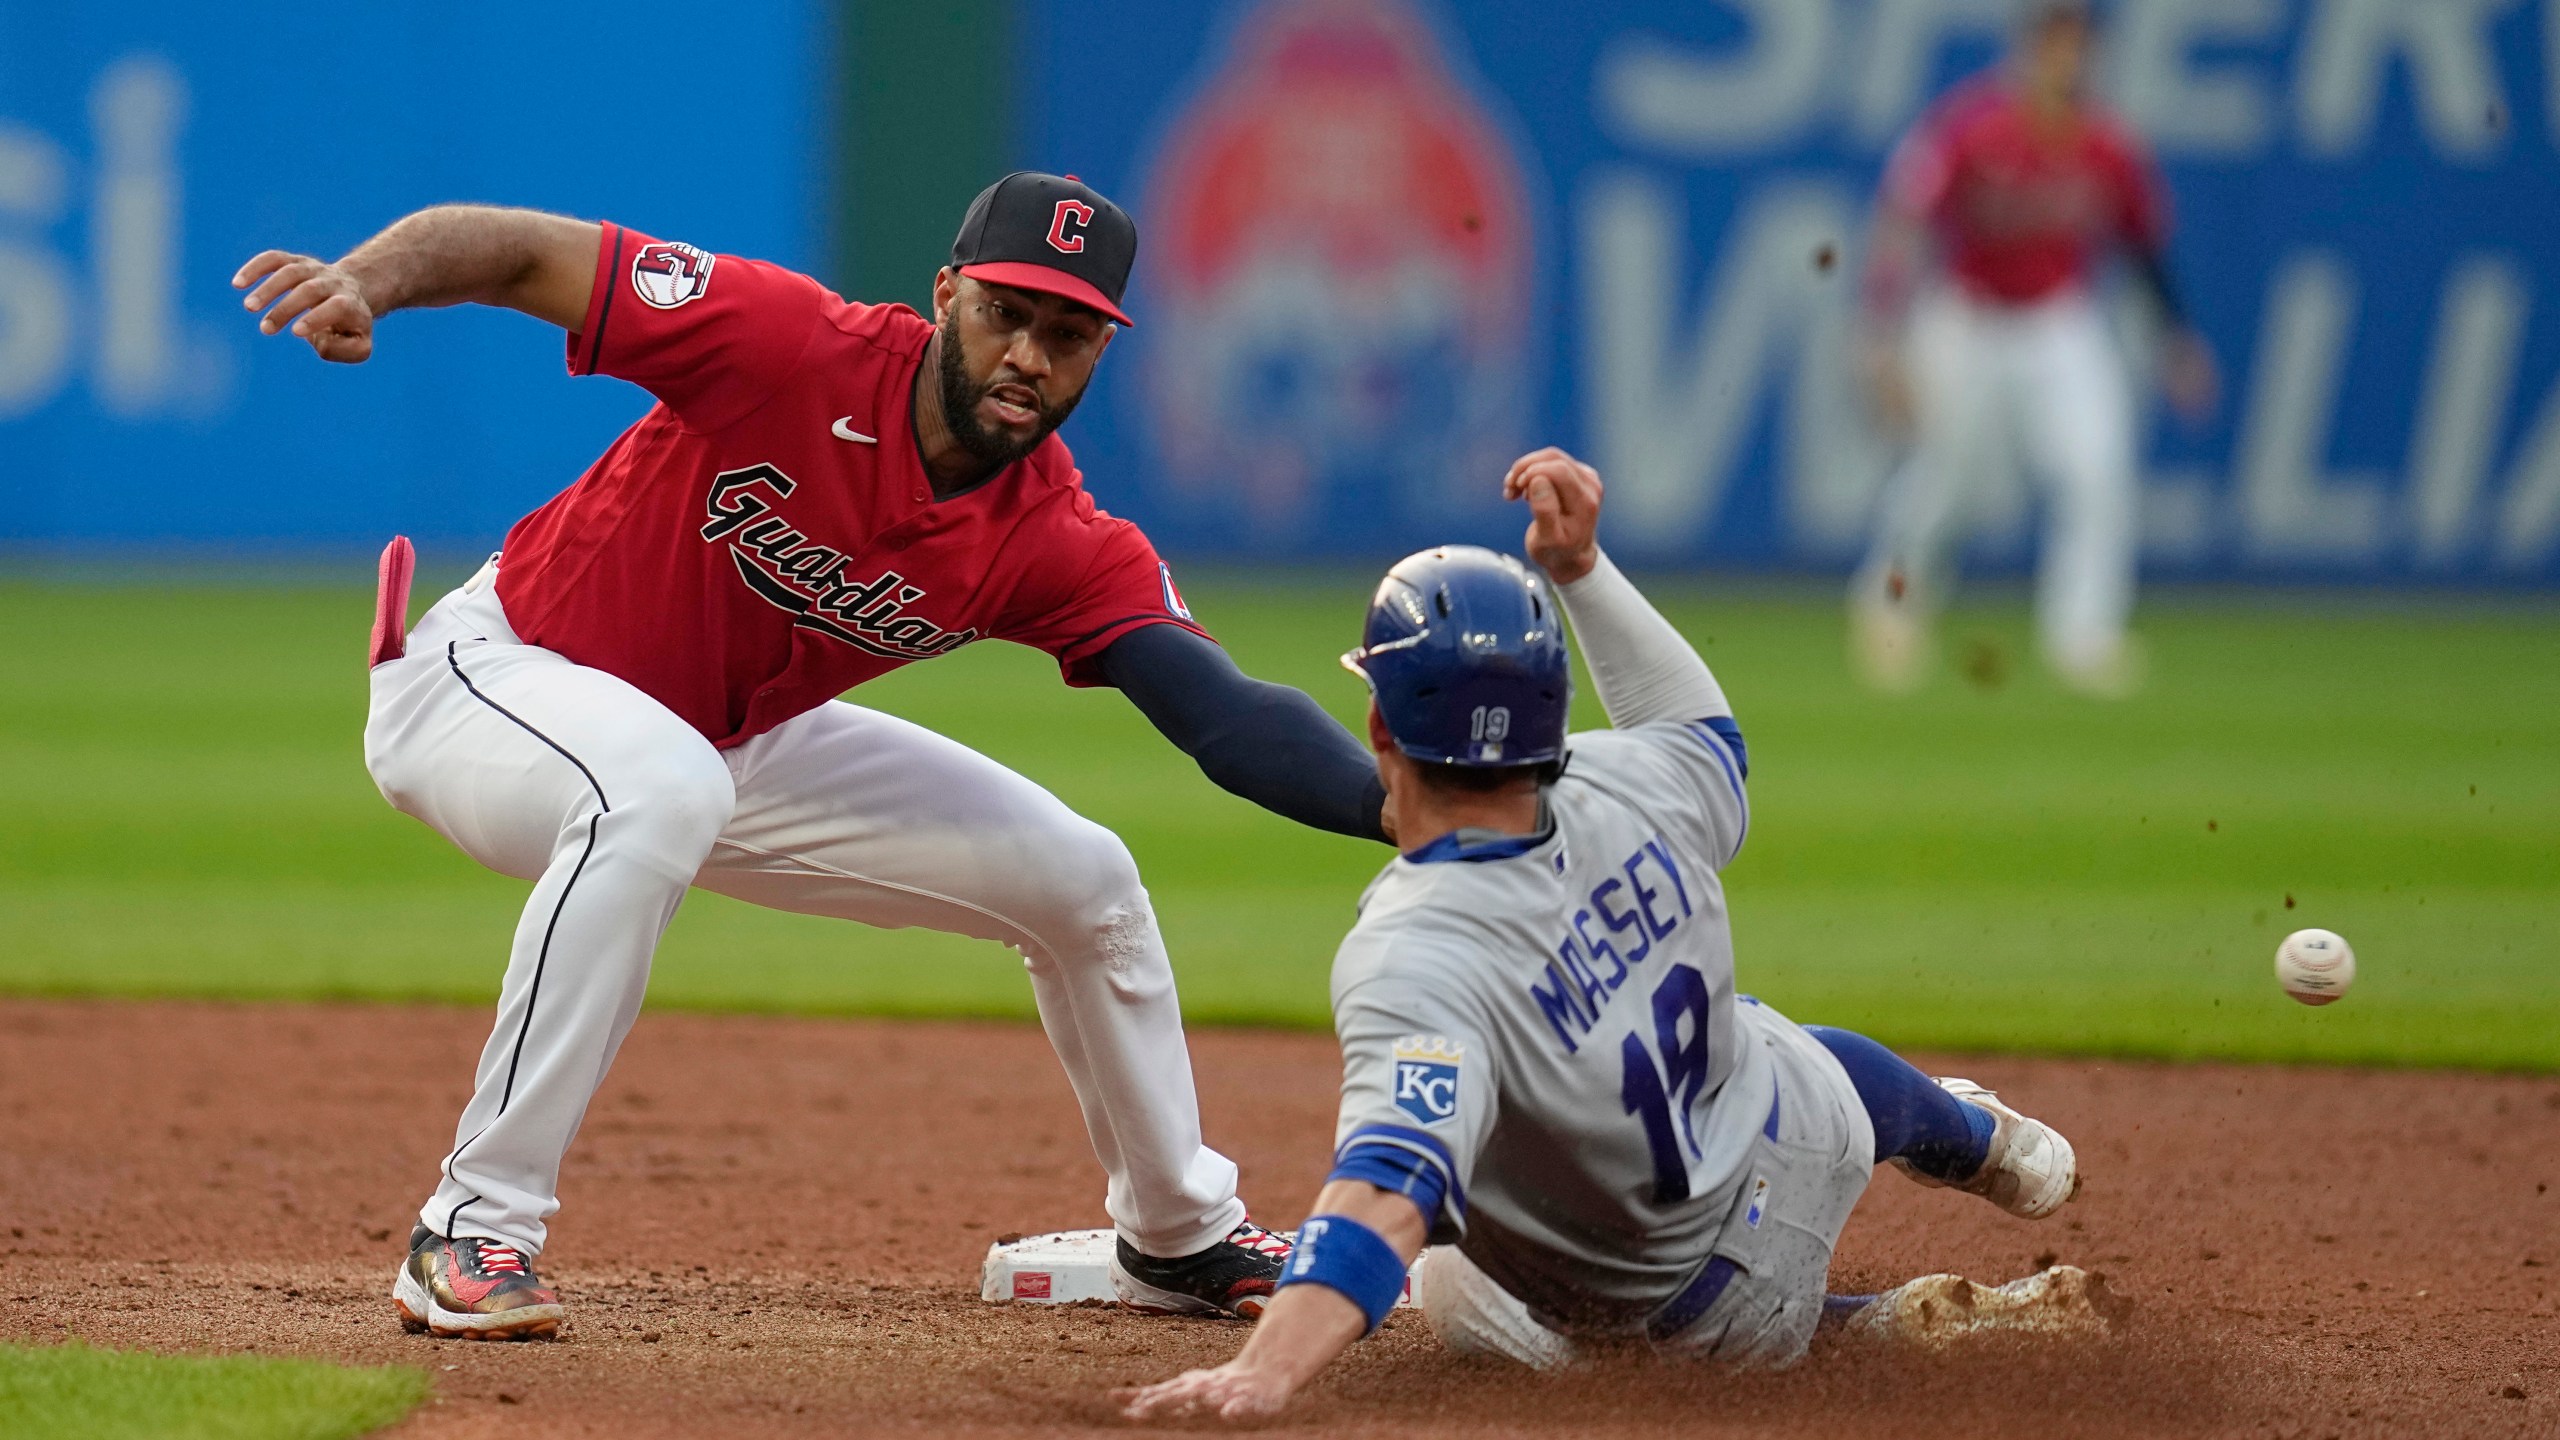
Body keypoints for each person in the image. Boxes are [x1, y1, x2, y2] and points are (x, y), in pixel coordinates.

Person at [233, 173, 1382, 1338]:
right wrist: (364, 280)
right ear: (945, 295)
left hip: (725, 746)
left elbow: (1223, 714)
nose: (1029, 355)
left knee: (1083, 882)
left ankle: (1178, 1236)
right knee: (659, 784)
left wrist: (1407, 809)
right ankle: (472, 1226)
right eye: (1005, 313)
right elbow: (523, 251)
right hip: (493, 680)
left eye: (1069, 333)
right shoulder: (788, 345)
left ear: (1100, 352)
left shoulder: (1052, 535)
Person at [1124, 448, 2084, 1422]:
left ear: (1379, 724)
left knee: (1456, 1270)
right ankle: (1988, 1143)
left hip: (1706, 1325)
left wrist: (1264, 1372)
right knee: (1758, 1034)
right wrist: (1580, 569)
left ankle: (1872, 1323)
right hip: (1801, 1128)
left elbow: (1388, 1190)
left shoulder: (1412, 953)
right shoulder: (1631, 776)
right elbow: (1708, 734)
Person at [1852, 0, 2216, 697]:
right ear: (2027, 49)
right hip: (1969, 315)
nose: (2066, 58)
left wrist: (2175, 340)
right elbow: (1902, 222)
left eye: (2076, 43)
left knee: (2095, 469)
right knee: (1947, 479)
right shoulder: (1973, 128)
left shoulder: (2107, 143)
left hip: (2058, 319)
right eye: (2053, 42)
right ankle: (1892, 605)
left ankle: (2084, 634)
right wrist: (1880, 333)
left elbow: (2142, 248)